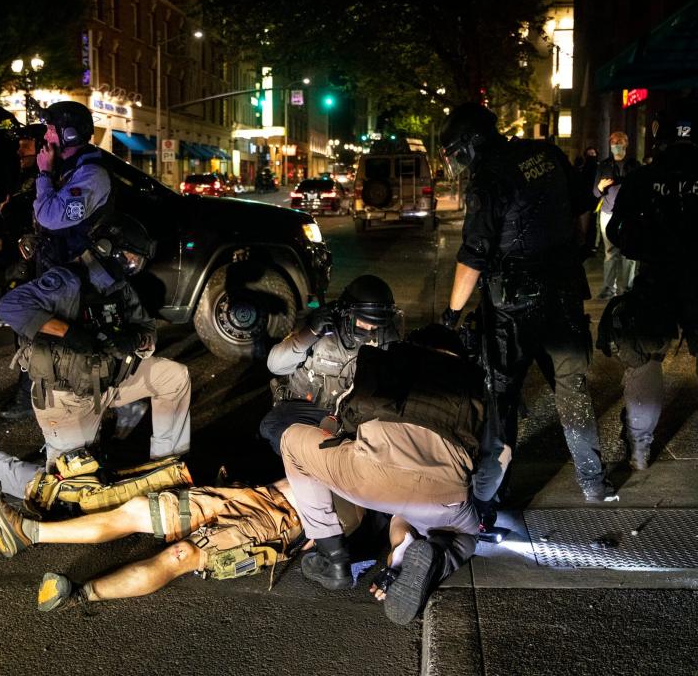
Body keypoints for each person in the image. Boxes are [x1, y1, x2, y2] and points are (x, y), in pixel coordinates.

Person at [438, 102, 611, 507]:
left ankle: (495, 495)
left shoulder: (487, 179)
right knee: (572, 387)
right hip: (564, 292)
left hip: (513, 307)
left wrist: (451, 314)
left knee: (502, 396)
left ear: (470, 145)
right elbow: (582, 204)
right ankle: (595, 482)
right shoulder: (544, 154)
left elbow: (473, 255)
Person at [0, 212, 191, 501]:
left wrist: (134, 338)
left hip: (110, 383)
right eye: (130, 257)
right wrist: (70, 334)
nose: (134, 265)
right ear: (105, 247)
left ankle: (166, 471)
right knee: (74, 494)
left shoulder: (118, 286)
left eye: (138, 261)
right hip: (67, 397)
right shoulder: (65, 280)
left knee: (175, 377)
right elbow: (10, 306)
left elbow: (148, 328)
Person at [280, 324, 483, 625]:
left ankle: (333, 556)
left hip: (370, 482)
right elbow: (495, 459)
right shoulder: (474, 385)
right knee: (465, 535)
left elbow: (334, 426)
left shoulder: (387, 363)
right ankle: (429, 557)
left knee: (292, 441)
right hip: (443, 496)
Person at [0, 475, 303, 611]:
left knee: (180, 555)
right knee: (138, 510)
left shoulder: (352, 497)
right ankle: (28, 533)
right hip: (250, 497)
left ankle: (81, 594)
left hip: (275, 524)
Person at [598, 101, 698, 471]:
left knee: (643, 356)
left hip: (656, 279)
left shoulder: (644, 179)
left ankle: (640, 448)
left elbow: (617, 232)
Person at [259, 274, 401, 455]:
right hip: (308, 406)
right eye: (364, 322)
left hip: (354, 412)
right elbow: (275, 365)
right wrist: (309, 332)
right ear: (347, 312)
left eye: (375, 325)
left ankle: (332, 464)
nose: (369, 330)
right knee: (272, 427)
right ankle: (320, 463)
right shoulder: (321, 325)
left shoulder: (386, 333)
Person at [0, 126, 43, 421]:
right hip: (24, 263)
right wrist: (5, 240)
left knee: (30, 332)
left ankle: (29, 396)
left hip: (39, 266)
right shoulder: (23, 179)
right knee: (25, 332)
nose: (20, 151)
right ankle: (30, 392)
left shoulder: (44, 180)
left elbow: (37, 225)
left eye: (26, 145)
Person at [32, 100, 112, 274]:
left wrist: (44, 173)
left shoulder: (91, 174)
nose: (46, 136)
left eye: (51, 130)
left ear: (69, 134)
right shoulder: (69, 168)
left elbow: (48, 216)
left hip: (75, 273)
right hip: (58, 266)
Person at [593, 131, 640, 299]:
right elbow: (595, 192)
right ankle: (608, 288)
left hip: (629, 214)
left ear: (626, 144)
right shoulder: (604, 165)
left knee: (629, 252)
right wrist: (600, 187)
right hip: (608, 212)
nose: (616, 145)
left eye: (619, 142)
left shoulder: (634, 165)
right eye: (613, 142)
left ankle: (629, 288)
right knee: (610, 252)